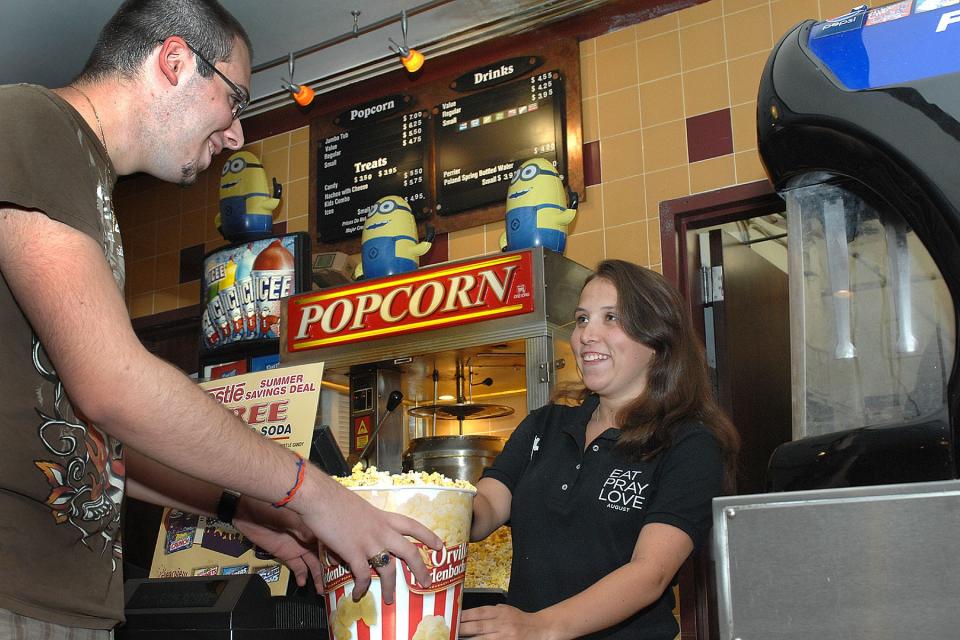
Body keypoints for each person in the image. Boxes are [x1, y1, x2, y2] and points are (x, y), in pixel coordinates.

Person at [0, 1, 441, 638]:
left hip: (61, 598)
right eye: (235, 99)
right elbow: (116, 388)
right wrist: (315, 495)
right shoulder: (33, 123)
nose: (236, 133)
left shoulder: (84, 181)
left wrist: (242, 509)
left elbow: (100, 441)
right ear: (174, 62)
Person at [461, 260, 740, 639]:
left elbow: (649, 573)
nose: (586, 335)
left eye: (611, 318)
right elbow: (485, 509)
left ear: (657, 340)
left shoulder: (689, 444)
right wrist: (428, 505)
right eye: (581, 319)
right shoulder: (546, 426)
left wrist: (540, 626)